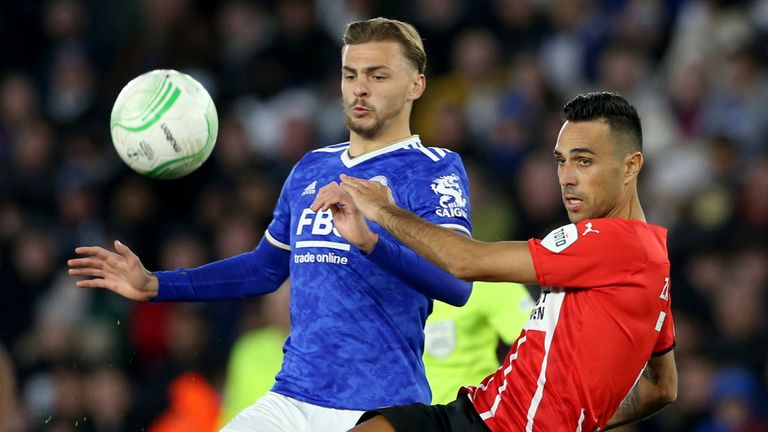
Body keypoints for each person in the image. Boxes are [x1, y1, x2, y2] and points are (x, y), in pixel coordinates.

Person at [67, 18, 474, 432]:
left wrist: (373, 243)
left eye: (378, 75)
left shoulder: (433, 170)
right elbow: (264, 269)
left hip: (380, 407)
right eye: (350, 74)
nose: (359, 88)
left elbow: (458, 287)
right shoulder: (312, 168)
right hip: (292, 400)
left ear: (416, 86)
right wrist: (157, 284)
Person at [311, 92, 678, 431]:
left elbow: (464, 261)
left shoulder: (610, 241)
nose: (566, 178)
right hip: (477, 412)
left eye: (584, 161)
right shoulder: (651, 262)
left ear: (631, 167)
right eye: (561, 161)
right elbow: (662, 388)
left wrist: (383, 210)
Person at [423, 281, 533, 404]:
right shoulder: (404, 282)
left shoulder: (491, 283)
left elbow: (534, 344)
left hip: (473, 410)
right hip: (412, 411)